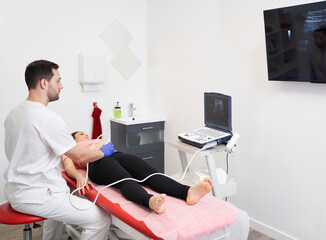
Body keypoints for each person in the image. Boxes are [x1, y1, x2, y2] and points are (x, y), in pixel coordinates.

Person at [3, 60, 116, 240]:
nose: (61, 85)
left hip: (16, 190)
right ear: (44, 83)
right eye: (58, 80)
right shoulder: (47, 119)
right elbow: (80, 155)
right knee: (101, 219)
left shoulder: (14, 112)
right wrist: (105, 150)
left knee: (57, 212)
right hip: (37, 195)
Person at [63, 131, 214, 214]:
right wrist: (78, 176)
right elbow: (69, 167)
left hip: (116, 155)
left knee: (150, 173)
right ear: (74, 139)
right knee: (125, 179)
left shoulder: (99, 140)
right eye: (82, 134)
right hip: (96, 163)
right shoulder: (71, 148)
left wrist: (106, 148)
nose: (87, 136)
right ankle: (150, 202)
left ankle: (187, 192)